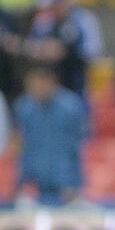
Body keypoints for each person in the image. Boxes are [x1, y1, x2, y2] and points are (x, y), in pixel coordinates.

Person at [12, 65, 86, 205]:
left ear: (52, 82)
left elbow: (76, 147)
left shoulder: (70, 107)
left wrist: (72, 182)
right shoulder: (24, 107)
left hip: (66, 185)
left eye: (43, 83)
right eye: (35, 84)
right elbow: (23, 148)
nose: (39, 88)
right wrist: (21, 182)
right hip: (35, 184)